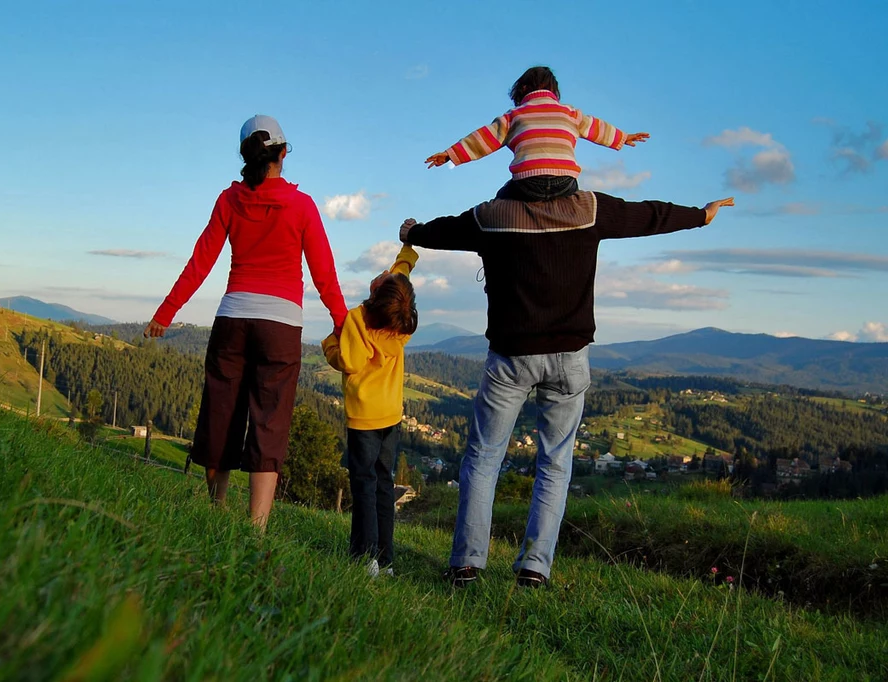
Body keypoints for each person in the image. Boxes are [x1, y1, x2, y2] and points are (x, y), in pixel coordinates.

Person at [400, 191, 735, 587]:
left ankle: (466, 564)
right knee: (555, 464)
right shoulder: (589, 208)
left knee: (484, 457)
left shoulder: (494, 214)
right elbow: (646, 216)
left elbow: (446, 231)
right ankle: (534, 568)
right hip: (569, 357)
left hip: (510, 355)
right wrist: (700, 214)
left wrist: (414, 232)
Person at [145, 115, 348, 531]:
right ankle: (255, 530)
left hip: (233, 318)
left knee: (221, 413)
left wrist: (166, 313)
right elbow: (324, 272)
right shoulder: (302, 205)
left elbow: (201, 261)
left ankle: (216, 511)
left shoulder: (228, 200)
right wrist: (343, 322)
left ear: (245, 155)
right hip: (282, 325)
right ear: (283, 153)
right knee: (269, 423)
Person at [321, 244, 419, 577]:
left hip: (363, 418)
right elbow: (400, 276)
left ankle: (365, 558)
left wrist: (329, 344)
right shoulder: (399, 320)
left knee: (363, 484)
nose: (384, 274)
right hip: (391, 415)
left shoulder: (358, 321)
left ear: (376, 294)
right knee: (383, 484)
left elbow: (347, 361)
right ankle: (386, 559)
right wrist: (407, 250)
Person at [425, 66, 649, 202]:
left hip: (527, 183)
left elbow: (483, 139)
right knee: (576, 199)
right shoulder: (570, 113)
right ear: (554, 91)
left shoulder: (514, 116)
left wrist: (450, 154)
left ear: (522, 88)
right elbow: (597, 128)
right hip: (566, 183)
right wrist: (623, 137)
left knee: (501, 199)